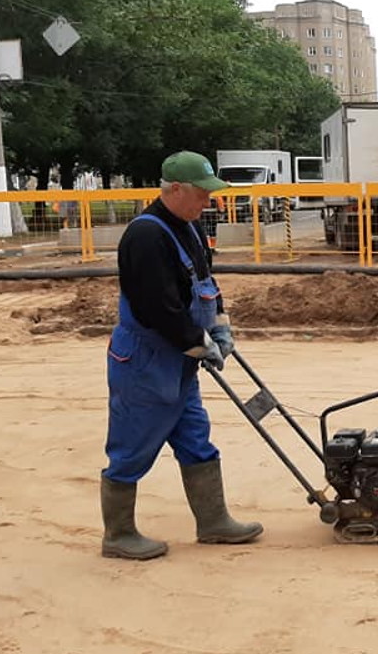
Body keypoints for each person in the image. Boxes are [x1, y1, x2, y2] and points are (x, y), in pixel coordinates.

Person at [101, 151, 262, 560]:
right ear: (175, 190)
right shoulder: (145, 237)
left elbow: (206, 281)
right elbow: (160, 310)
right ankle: (118, 535)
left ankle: (214, 522)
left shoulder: (189, 226)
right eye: (202, 195)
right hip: (145, 361)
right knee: (131, 447)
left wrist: (221, 325)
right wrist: (200, 343)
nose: (209, 202)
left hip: (181, 359)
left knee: (196, 439)